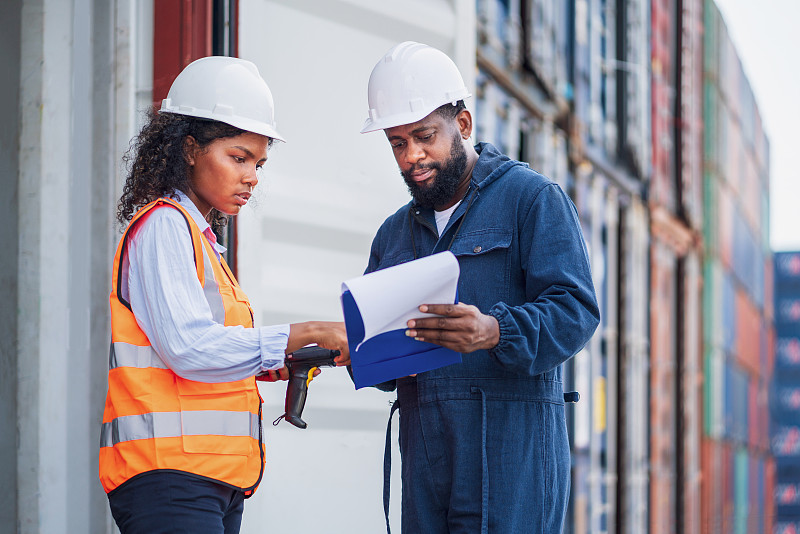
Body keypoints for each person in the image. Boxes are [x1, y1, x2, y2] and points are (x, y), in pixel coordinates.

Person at [98, 56, 349, 534]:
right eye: (238, 158)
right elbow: (189, 349)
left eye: (259, 162)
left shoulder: (201, 242)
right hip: (170, 478)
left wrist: (278, 359)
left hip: (209, 477)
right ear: (190, 149)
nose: (252, 176)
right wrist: (304, 333)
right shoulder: (164, 227)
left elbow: (205, 352)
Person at [360, 42, 600, 533]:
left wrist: (495, 330)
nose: (412, 156)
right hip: (427, 470)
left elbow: (576, 311)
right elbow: (382, 370)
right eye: (397, 144)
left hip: (512, 467)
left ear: (463, 125)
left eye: (424, 136)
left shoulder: (532, 200)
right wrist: (358, 348)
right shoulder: (393, 234)